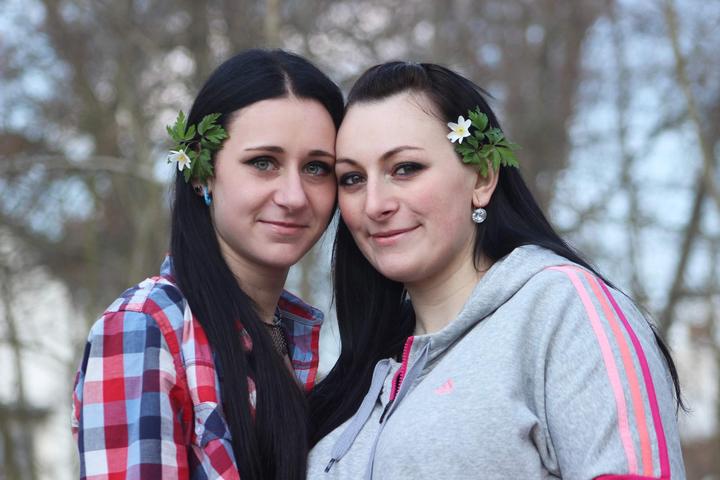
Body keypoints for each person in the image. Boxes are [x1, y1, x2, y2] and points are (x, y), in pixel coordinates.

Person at [307, 62, 686, 479]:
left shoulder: (563, 309)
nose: (375, 204)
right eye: (353, 178)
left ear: (483, 177)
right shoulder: (363, 370)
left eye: (406, 168)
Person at [72, 49, 343, 480]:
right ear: (201, 172)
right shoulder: (145, 328)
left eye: (316, 168)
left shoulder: (295, 335)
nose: (294, 196)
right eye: (263, 163)